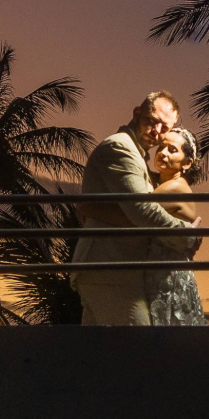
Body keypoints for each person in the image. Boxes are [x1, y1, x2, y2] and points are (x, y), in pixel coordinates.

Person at [72, 91, 200, 327]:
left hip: (113, 270)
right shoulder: (121, 148)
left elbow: (137, 210)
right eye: (152, 120)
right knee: (139, 349)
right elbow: (142, 211)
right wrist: (184, 234)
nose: (157, 131)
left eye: (165, 127)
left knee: (102, 356)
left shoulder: (137, 154)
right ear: (137, 113)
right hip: (110, 269)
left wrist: (93, 210)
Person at [145, 121, 208, 326]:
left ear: (187, 163)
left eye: (172, 150)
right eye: (161, 147)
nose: (163, 153)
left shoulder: (175, 187)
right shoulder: (164, 185)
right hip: (163, 271)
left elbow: (134, 208)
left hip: (167, 276)